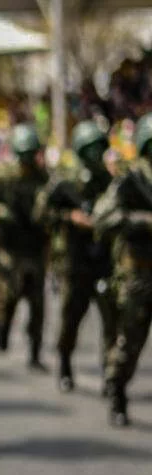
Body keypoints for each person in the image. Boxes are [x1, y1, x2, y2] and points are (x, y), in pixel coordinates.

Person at [33, 120, 116, 393]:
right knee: (71, 319)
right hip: (75, 261)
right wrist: (71, 217)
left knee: (111, 323)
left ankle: (111, 376)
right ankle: (65, 363)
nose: (93, 154)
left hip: (104, 259)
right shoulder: (66, 181)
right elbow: (41, 213)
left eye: (97, 148)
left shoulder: (110, 180)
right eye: (88, 148)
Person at [92, 112, 152, 426]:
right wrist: (140, 221)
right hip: (138, 273)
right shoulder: (131, 179)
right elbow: (102, 217)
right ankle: (117, 391)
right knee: (130, 341)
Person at [0, 124, 50, 372]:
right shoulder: (3, 177)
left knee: (37, 304)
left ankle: (35, 351)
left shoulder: (43, 179)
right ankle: (1, 331)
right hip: (10, 247)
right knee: (7, 297)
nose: (26, 159)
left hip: (34, 247)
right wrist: (1, 213)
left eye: (29, 153)